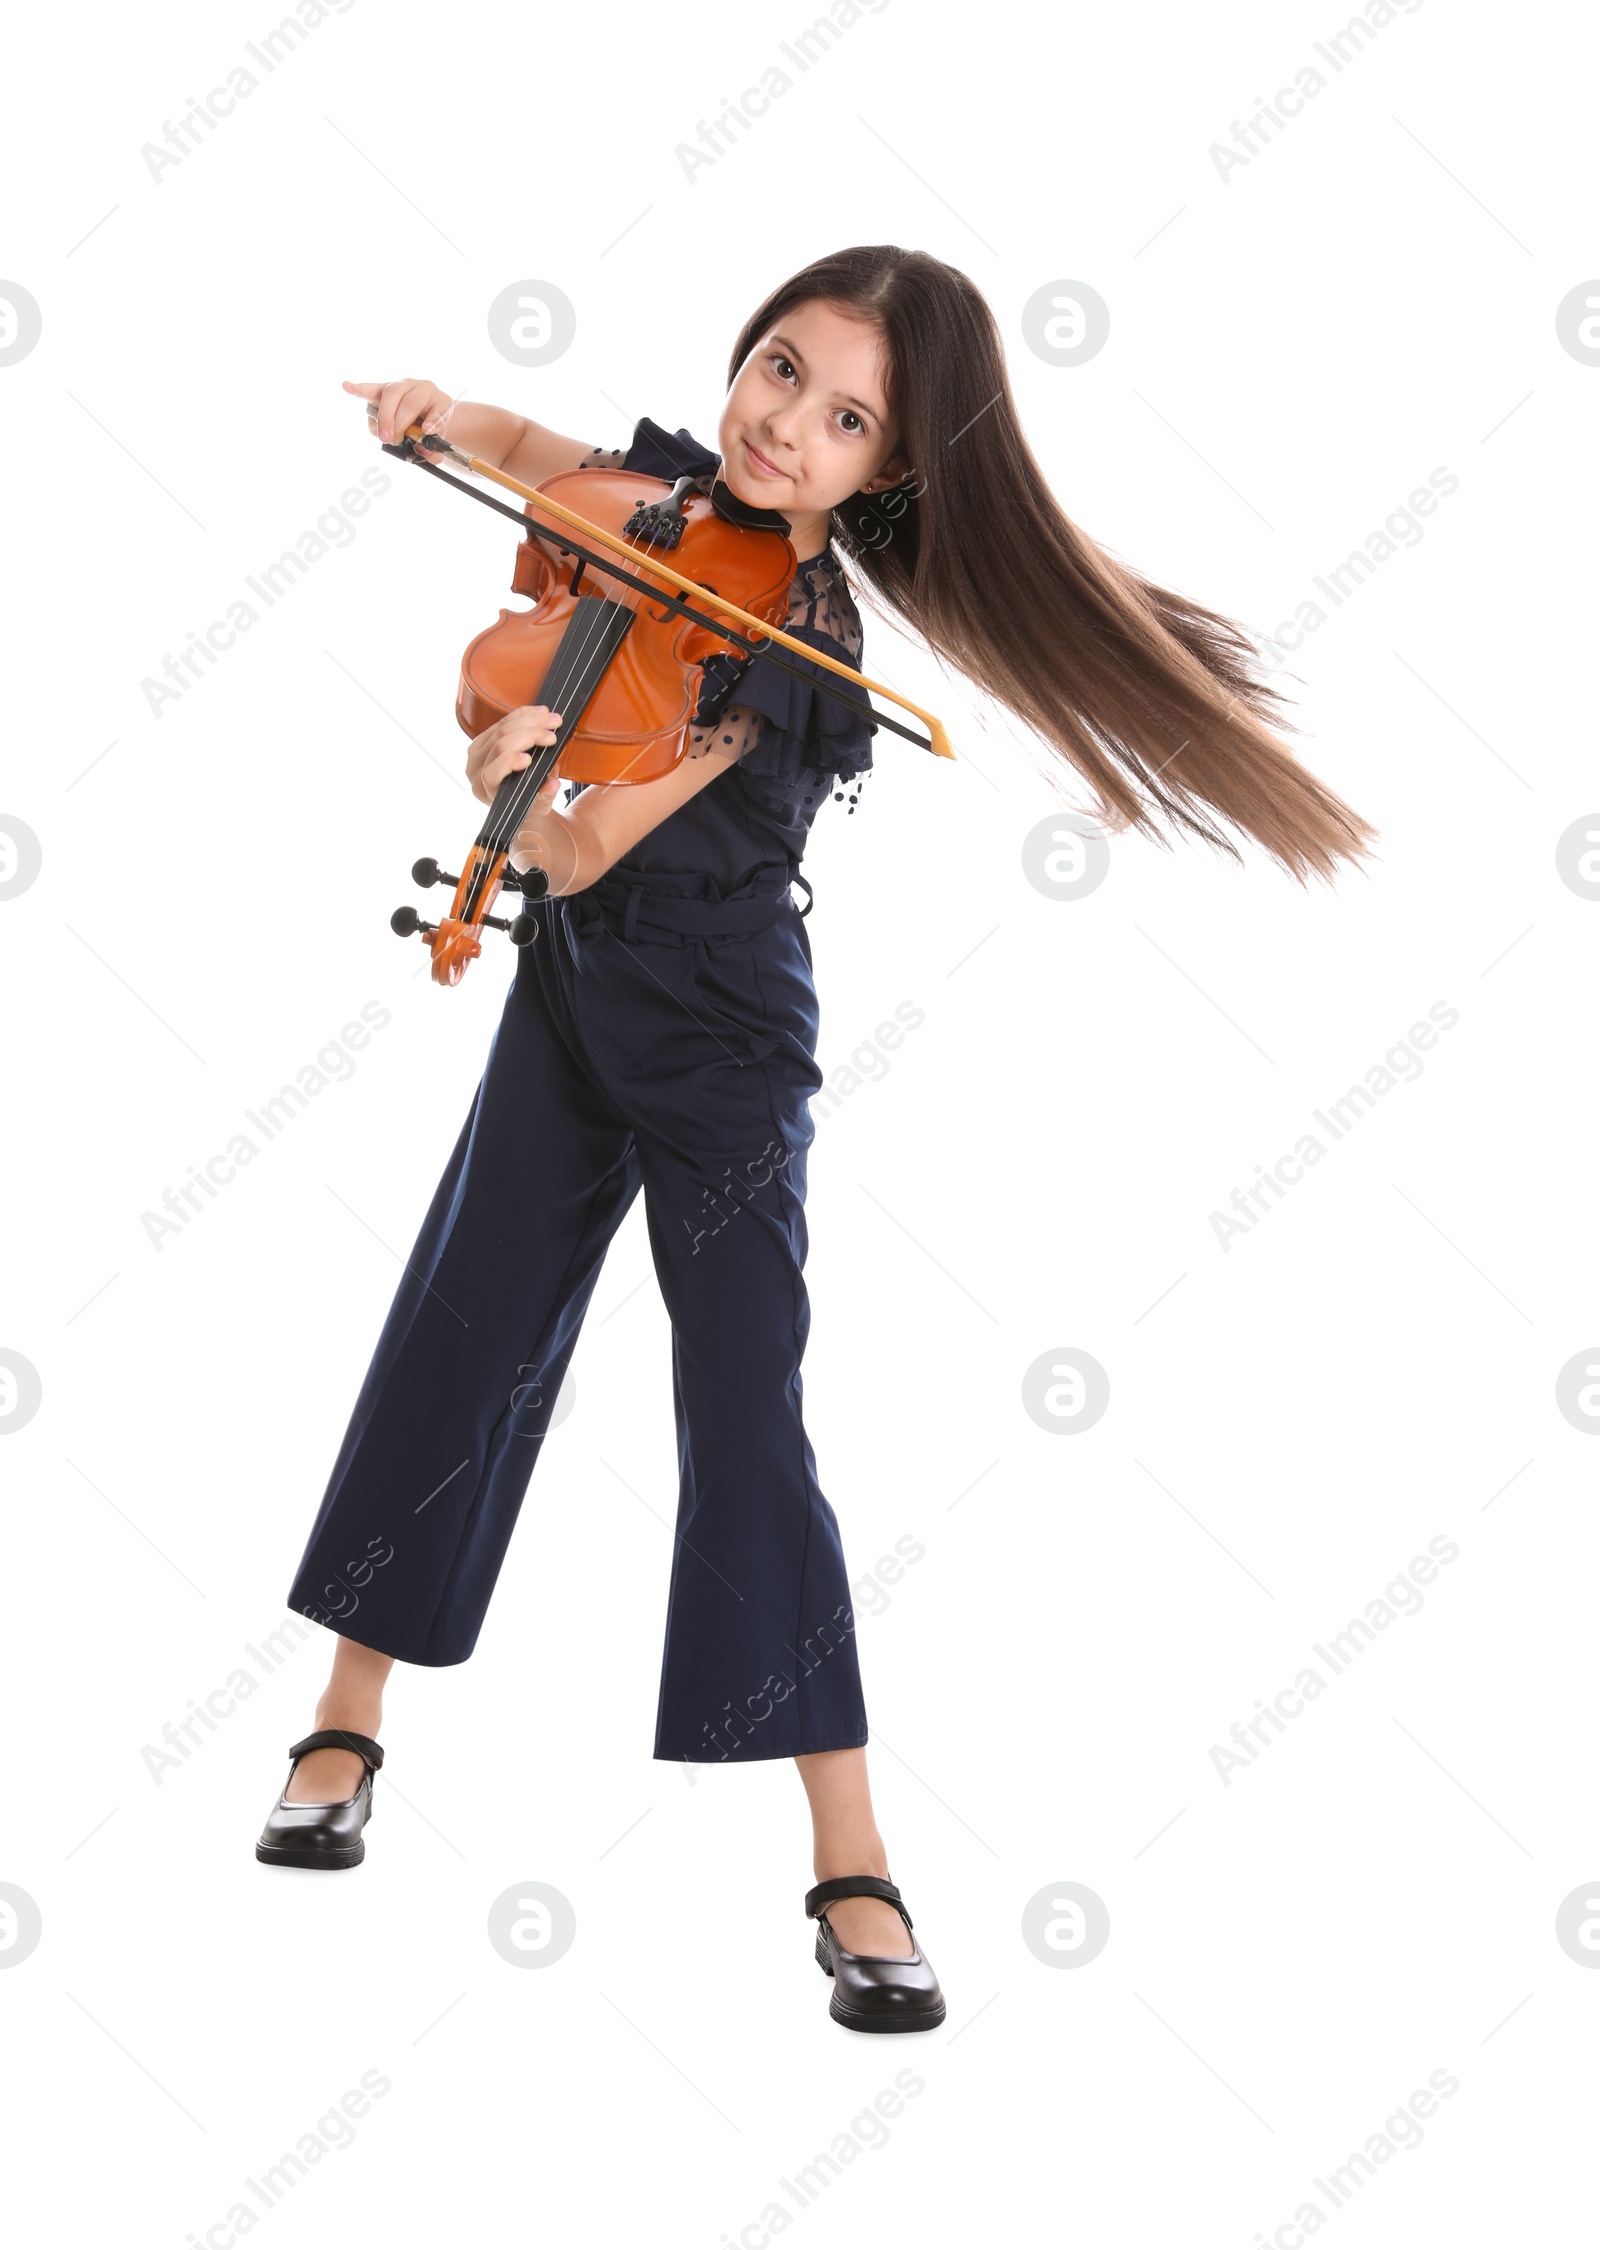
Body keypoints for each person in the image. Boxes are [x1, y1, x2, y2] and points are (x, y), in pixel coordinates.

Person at [255, 244, 1375, 2034]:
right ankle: (345, 1720)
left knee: (745, 1410)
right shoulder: (665, 499)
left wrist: (503, 788)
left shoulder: (805, 646)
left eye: (844, 419)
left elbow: (588, 844)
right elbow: (538, 444)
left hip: (715, 1031)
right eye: (780, 371)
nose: (787, 426)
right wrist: (436, 409)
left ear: (885, 473)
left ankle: (849, 1851)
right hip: (571, 998)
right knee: (463, 1329)